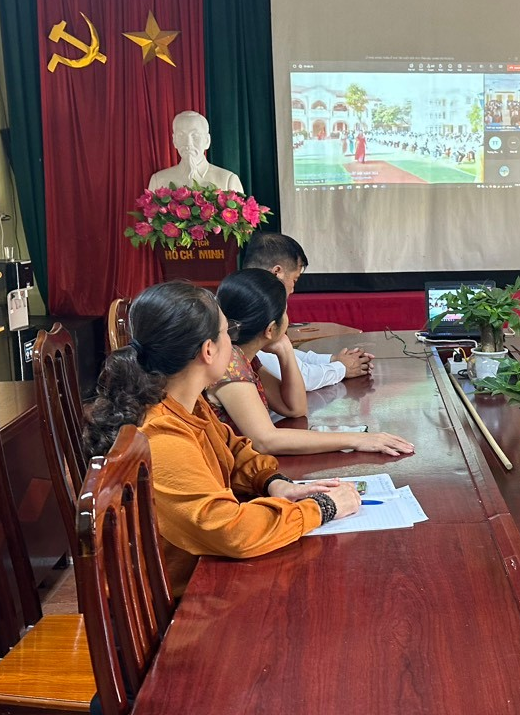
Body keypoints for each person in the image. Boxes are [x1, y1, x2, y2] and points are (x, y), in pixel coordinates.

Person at [85, 281, 360, 590]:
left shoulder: (186, 401)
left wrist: (274, 483)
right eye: (228, 332)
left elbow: (234, 449)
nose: (233, 341)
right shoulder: (161, 436)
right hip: (186, 595)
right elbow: (232, 532)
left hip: (208, 566)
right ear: (208, 350)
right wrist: (322, 507)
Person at [210, 269, 415, 458]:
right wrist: (358, 439)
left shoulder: (245, 356)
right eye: (285, 312)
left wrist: (286, 352)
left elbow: (294, 408)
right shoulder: (229, 364)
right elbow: (266, 441)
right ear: (270, 329)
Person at [241, 232, 374, 385]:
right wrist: (342, 368)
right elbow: (299, 378)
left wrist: (334, 360)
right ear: (277, 272)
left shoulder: (244, 293)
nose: (292, 290)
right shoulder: (257, 307)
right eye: (294, 279)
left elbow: (288, 358)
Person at [147, 110, 245, 195]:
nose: (188, 143)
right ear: (174, 140)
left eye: (195, 136)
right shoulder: (158, 180)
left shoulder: (228, 180)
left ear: (207, 141)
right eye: (181, 135)